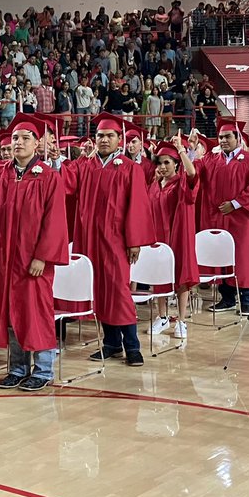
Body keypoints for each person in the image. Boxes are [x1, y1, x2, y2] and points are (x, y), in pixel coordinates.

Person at [0, 114, 69, 391]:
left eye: (25, 138)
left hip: (32, 260)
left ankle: (43, 370)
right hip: (2, 257)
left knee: (35, 313)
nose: (18, 142)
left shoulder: (48, 176)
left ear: (37, 143)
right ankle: (18, 368)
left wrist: (42, 256)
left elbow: (55, 220)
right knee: (10, 313)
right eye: (15, 138)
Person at [61, 114, 154, 365]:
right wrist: (59, 159)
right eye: (100, 135)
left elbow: (137, 206)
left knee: (118, 290)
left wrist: (134, 241)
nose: (104, 140)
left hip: (116, 241)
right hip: (90, 238)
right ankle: (111, 344)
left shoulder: (130, 168)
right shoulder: (85, 166)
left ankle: (132, 347)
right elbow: (65, 184)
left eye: (109, 136)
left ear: (119, 140)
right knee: (100, 291)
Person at [196, 119, 249, 315]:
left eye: (227, 136)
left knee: (243, 257)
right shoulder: (212, 159)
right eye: (220, 137)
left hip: (241, 219)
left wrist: (235, 203)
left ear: (238, 138)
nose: (223, 140)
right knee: (222, 257)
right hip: (217, 217)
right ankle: (227, 298)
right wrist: (189, 152)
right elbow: (194, 173)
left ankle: (247, 300)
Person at [146, 135, 199, 338]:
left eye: (167, 162)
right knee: (159, 277)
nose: (162, 167)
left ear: (176, 164)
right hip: (158, 237)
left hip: (179, 236)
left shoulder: (182, 183)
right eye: (159, 163)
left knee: (181, 277)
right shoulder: (155, 184)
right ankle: (162, 317)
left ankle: (182, 321)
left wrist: (182, 150)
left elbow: (192, 173)